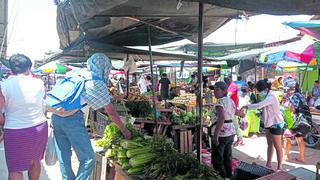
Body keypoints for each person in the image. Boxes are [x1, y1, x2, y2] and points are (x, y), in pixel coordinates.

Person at [48, 53, 131, 180]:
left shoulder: (77, 73)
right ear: (105, 68)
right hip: (72, 120)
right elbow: (111, 112)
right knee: (88, 159)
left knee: (64, 156)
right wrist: (124, 130)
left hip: (56, 116)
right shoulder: (96, 82)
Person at [0, 54, 48, 180]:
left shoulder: (4, 85)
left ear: (11, 68)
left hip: (15, 131)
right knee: (35, 161)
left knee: (15, 168)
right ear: (28, 67)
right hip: (39, 128)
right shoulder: (39, 83)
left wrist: (2, 122)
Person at [241, 80, 285, 170]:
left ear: (266, 89)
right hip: (268, 122)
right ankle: (268, 163)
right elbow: (266, 109)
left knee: (277, 145)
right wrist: (260, 114)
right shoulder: (267, 96)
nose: (259, 93)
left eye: (260, 91)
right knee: (270, 144)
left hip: (276, 123)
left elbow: (259, 105)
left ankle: (279, 166)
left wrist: (247, 106)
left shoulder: (271, 96)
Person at [210, 81, 244, 179]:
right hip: (230, 133)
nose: (215, 92)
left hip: (222, 133)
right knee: (227, 157)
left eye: (217, 90)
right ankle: (229, 176)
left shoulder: (220, 102)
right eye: (214, 90)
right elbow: (237, 112)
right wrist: (242, 113)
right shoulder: (230, 101)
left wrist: (216, 135)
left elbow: (221, 117)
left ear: (224, 91)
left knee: (218, 159)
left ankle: (220, 177)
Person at [282, 82, 306, 163]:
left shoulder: (294, 96)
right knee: (300, 138)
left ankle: (286, 155)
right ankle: (301, 157)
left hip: (293, 120)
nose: (287, 91)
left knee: (286, 137)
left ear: (293, 89)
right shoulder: (301, 95)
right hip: (302, 120)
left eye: (288, 89)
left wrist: (288, 103)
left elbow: (292, 109)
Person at [224, 76, 243, 146]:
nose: (226, 82)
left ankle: (240, 138)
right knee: (233, 123)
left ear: (230, 79)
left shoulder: (233, 86)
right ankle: (238, 138)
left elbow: (228, 95)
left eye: (226, 81)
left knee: (235, 124)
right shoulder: (229, 86)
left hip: (232, 108)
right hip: (229, 107)